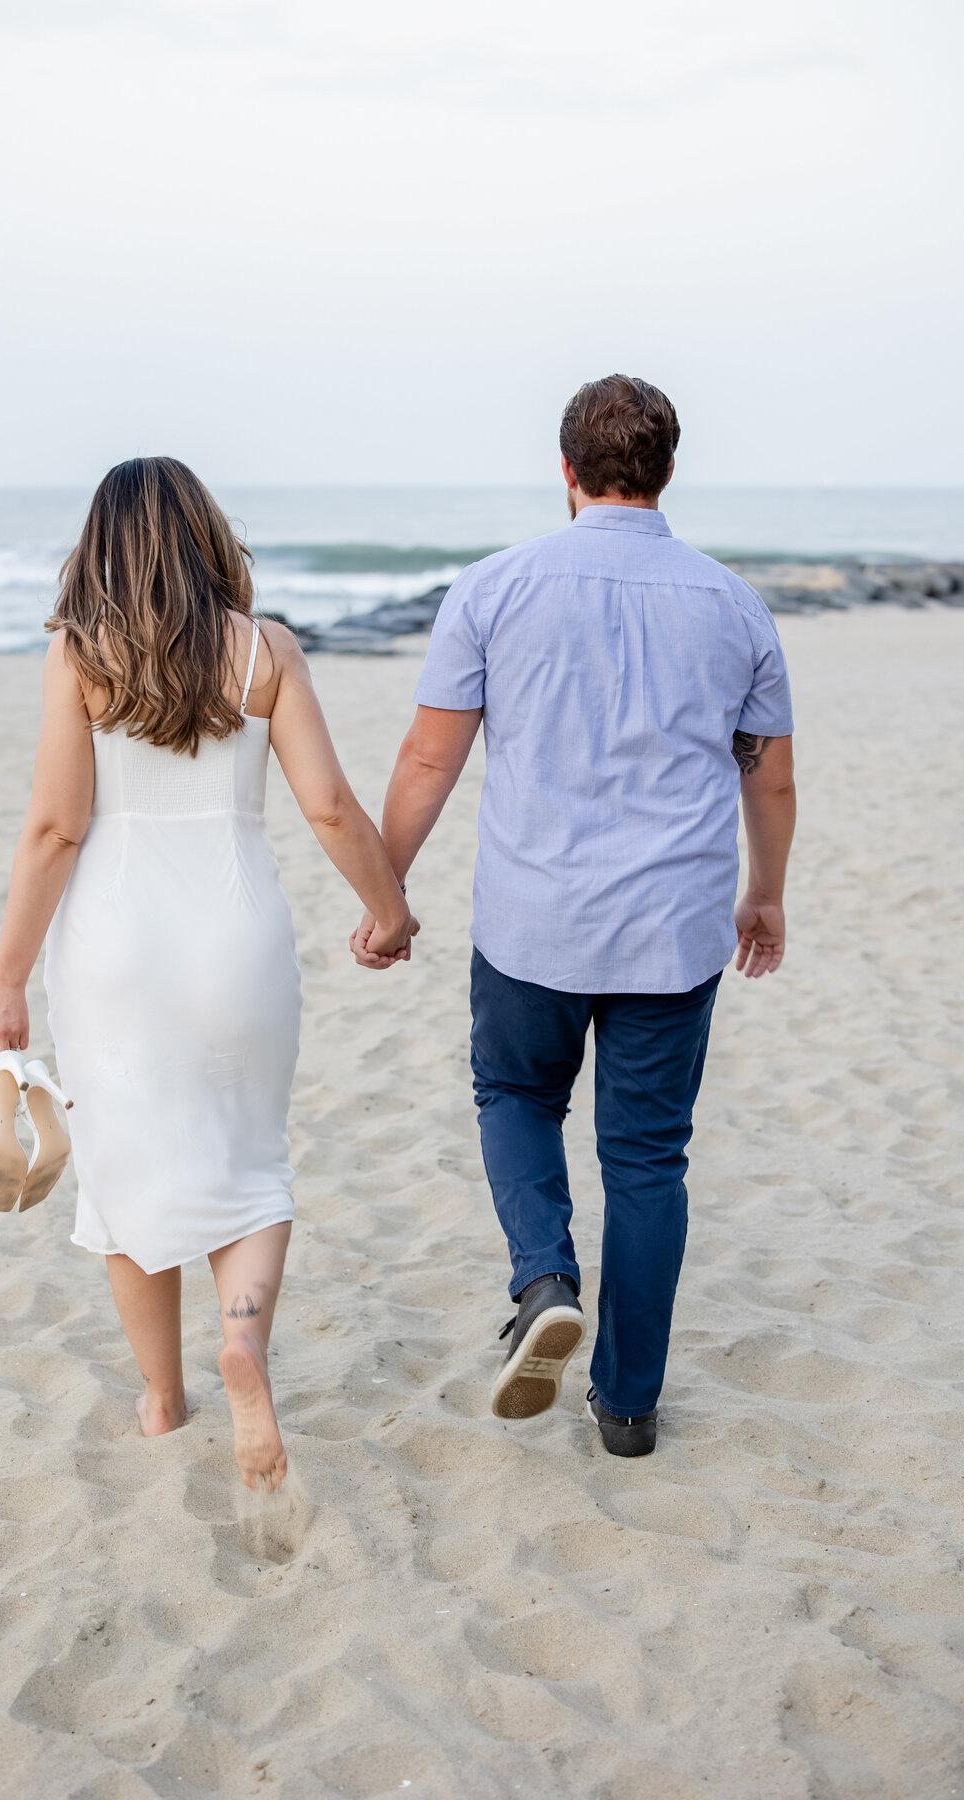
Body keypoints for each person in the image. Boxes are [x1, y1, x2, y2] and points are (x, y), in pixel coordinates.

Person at [352, 375, 796, 1456]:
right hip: (673, 929)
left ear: (566, 473)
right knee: (648, 1160)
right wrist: (766, 892)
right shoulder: (734, 604)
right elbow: (769, 781)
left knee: (513, 1091)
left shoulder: (494, 590)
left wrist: (386, 892)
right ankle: (630, 1408)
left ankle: (544, 1273)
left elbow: (428, 757)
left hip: (531, 924)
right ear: (668, 473)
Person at [0, 457, 414, 1492]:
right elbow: (333, 809)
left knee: (129, 1171)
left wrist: (5, 979)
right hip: (238, 937)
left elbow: (53, 829)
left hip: (114, 947)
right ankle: (244, 1346)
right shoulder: (267, 652)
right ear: (206, 534)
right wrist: (388, 909)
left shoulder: (80, 657)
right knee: (251, 1158)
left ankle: (165, 1403)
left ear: (104, 547)